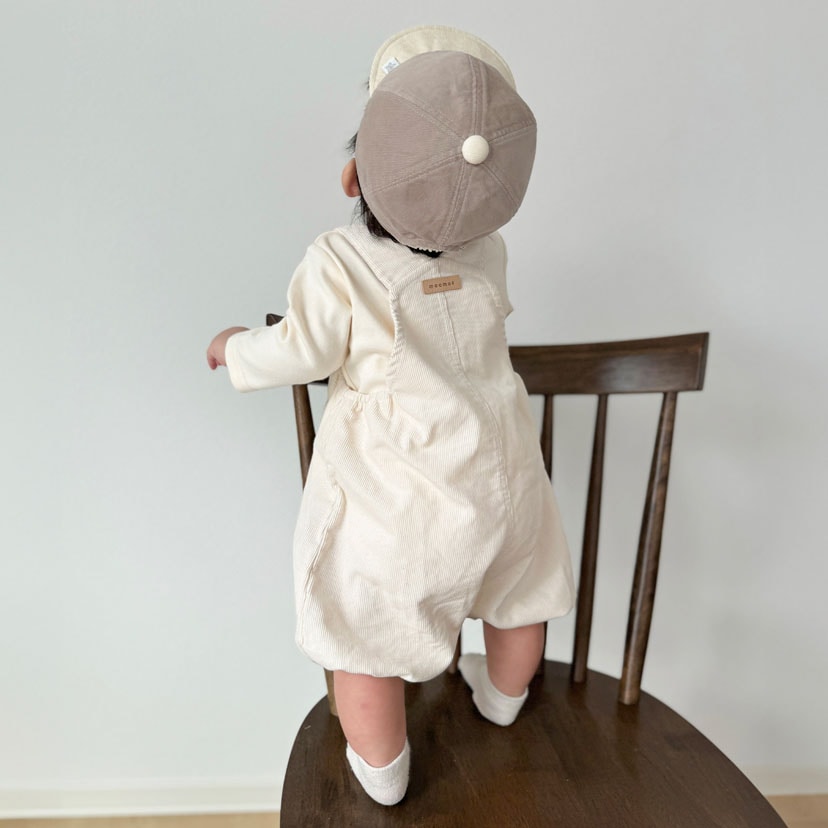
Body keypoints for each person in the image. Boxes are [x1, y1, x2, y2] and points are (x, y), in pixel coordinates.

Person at [206, 25, 574, 807]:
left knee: (364, 631)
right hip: (505, 484)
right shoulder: (490, 252)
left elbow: (299, 350)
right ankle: (503, 696)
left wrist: (235, 347)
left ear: (353, 177)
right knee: (520, 592)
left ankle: (382, 768)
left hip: (400, 504)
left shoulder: (340, 262)